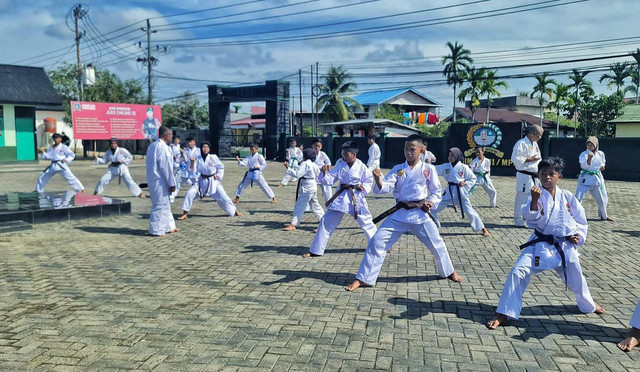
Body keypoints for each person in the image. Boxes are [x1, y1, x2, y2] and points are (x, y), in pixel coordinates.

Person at [486, 157, 605, 329]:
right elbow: (529, 218)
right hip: (540, 244)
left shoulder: (567, 197)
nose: (547, 177)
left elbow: (580, 219)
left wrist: (576, 235)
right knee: (517, 272)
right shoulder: (536, 193)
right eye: (543, 174)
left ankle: (588, 305)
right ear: (538, 175)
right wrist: (534, 199)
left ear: (559, 177)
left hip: (564, 246)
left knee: (577, 278)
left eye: (551, 174)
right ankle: (504, 313)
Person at [345, 135, 462, 291]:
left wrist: (431, 203)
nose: (408, 152)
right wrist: (379, 180)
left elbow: (436, 191)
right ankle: (364, 278)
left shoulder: (428, 169)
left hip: (420, 214)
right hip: (400, 214)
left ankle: (449, 271)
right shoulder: (398, 169)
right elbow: (386, 187)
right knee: (376, 242)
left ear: (422, 150)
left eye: (412, 149)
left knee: (437, 244)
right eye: (406, 149)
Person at [303, 141, 377, 258]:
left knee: (367, 222)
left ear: (354, 154)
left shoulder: (362, 166)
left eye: (346, 154)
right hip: (341, 196)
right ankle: (315, 250)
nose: (344, 157)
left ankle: (378, 246)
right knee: (326, 222)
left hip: (355, 196)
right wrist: (323, 173)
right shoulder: (340, 164)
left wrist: (364, 188)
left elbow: (368, 181)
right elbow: (330, 179)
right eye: (343, 154)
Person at [432, 148, 491, 237]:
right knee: (433, 207)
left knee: (470, 211)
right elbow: (433, 169)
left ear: (457, 156)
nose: (450, 157)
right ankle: (433, 226)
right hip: (449, 191)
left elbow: (473, 178)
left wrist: (465, 183)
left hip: (461, 192)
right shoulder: (446, 166)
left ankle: (482, 228)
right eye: (449, 155)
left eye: (452, 155)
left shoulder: (464, 167)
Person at [177, 142, 241, 220]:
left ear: (209, 149)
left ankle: (234, 211)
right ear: (201, 148)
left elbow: (221, 167)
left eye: (207, 147)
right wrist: (192, 163)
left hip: (213, 180)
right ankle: (185, 213)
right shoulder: (197, 158)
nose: (205, 149)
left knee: (223, 196)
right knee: (190, 193)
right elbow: (191, 170)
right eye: (204, 147)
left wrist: (218, 175)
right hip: (201, 180)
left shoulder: (213, 157)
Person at [146, 125, 178, 237]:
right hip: (160, 180)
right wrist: (172, 183)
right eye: (171, 135)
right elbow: (166, 167)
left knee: (166, 204)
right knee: (160, 205)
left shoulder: (152, 146)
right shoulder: (162, 147)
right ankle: (156, 230)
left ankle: (170, 226)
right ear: (168, 135)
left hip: (153, 179)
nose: (171, 137)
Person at [282, 148, 324, 231]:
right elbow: (319, 175)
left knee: (299, 205)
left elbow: (298, 174)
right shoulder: (314, 164)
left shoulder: (305, 164)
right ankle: (324, 220)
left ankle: (293, 224)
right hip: (312, 184)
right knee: (314, 204)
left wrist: (288, 168)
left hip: (307, 186)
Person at [511, 125, 543, 227]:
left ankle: (529, 218)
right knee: (522, 198)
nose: (540, 138)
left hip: (534, 176)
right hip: (524, 175)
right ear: (533, 133)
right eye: (539, 135)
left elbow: (538, 159)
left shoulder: (535, 144)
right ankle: (518, 220)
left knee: (533, 197)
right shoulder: (521, 143)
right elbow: (515, 158)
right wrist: (529, 159)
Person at [576, 136, 612, 221]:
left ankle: (604, 216)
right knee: (578, 197)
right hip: (585, 177)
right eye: (588, 144)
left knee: (603, 198)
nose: (590, 146)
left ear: (596, 145)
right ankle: (574, 215)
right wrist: (589, 159)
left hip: (596, 178)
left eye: (592, 144)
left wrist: (602, 166)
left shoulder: (600, 153)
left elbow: (603, 163)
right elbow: (584, 166)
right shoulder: (584, 154)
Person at [312, 138, 333, 203]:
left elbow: (328, 162)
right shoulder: (310, 153)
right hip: (313, 174)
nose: (317, 148)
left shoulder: (323, 154)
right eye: (315, 146)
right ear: (312, 145)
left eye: (319, 146)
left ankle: (329, 205)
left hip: (322, 173)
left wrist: (328, 167)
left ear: (321, 147)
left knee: (327, 189)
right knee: (311, 190)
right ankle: (308, 206)